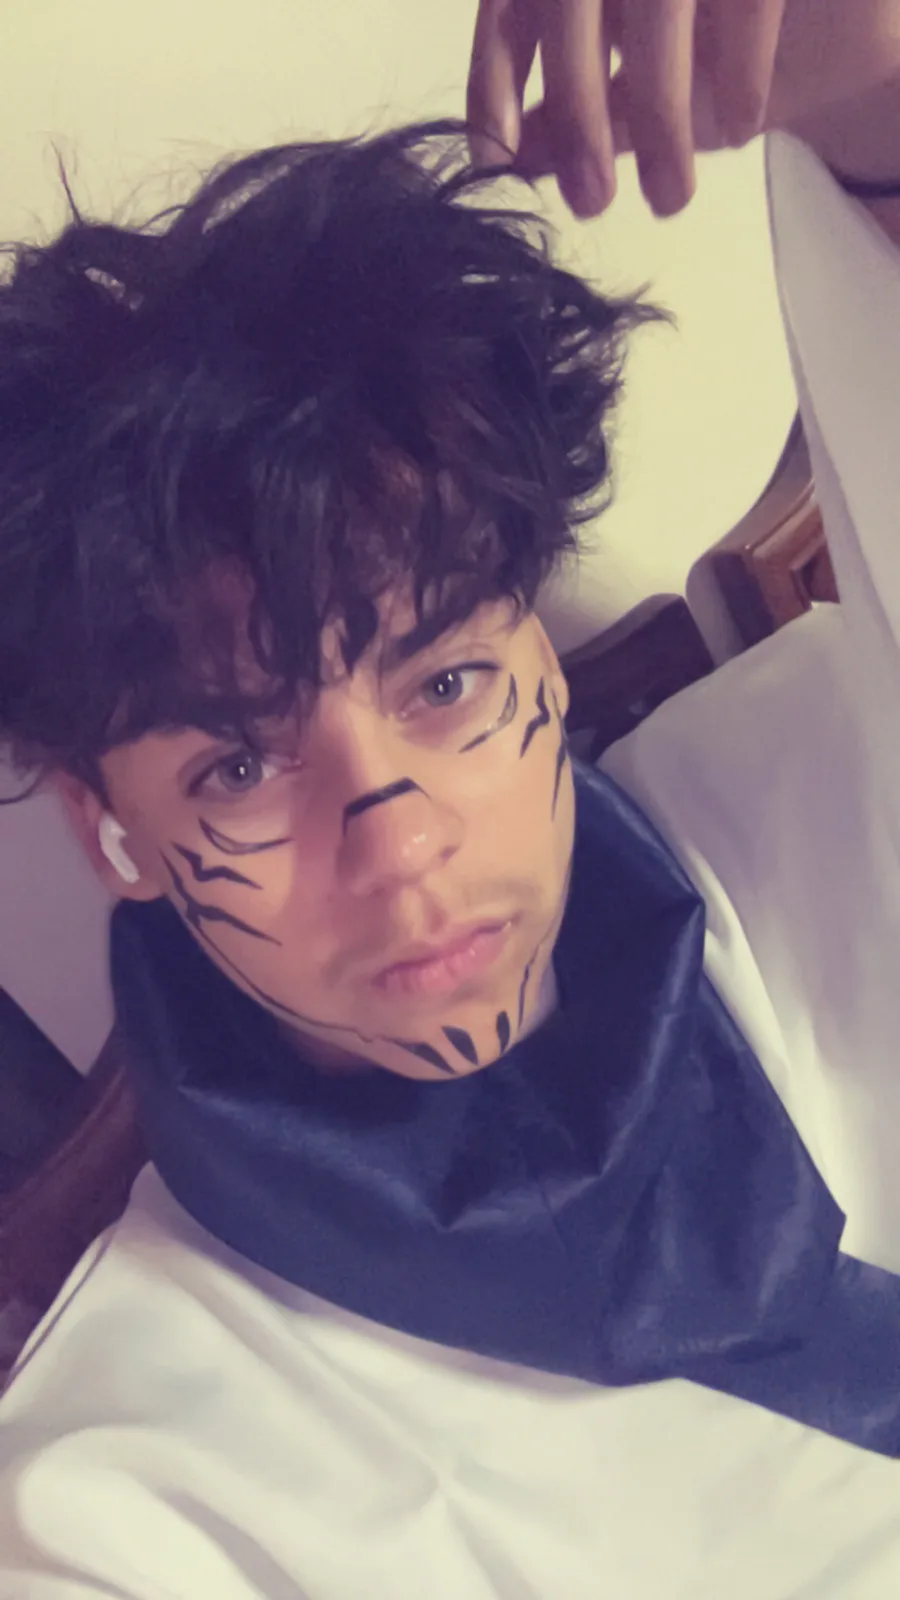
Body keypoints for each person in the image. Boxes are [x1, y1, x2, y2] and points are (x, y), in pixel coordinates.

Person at [3, 6, 900, 1598]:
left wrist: (879, 122)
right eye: (238, 765)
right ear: (110, 830)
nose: (403, 846)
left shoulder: (829, 778)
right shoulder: (129, 1499)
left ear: (537, 644)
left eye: (446, 683)